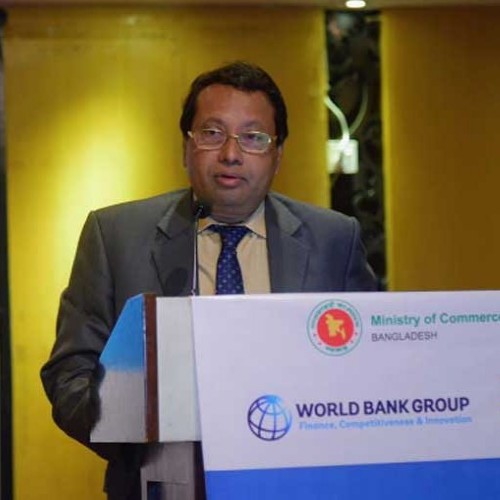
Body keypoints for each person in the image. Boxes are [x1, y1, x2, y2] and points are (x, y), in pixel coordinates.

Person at [41, 61, 376, 500]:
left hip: (298, 482)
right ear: (186, 148)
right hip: (162, 484)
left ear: (278, 155)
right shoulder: (116, 236)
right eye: (212, 133)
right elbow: (70, 374)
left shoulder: (334, 238)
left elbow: (368, 368)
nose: (231, 154)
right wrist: (136, 433)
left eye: (254, 137)